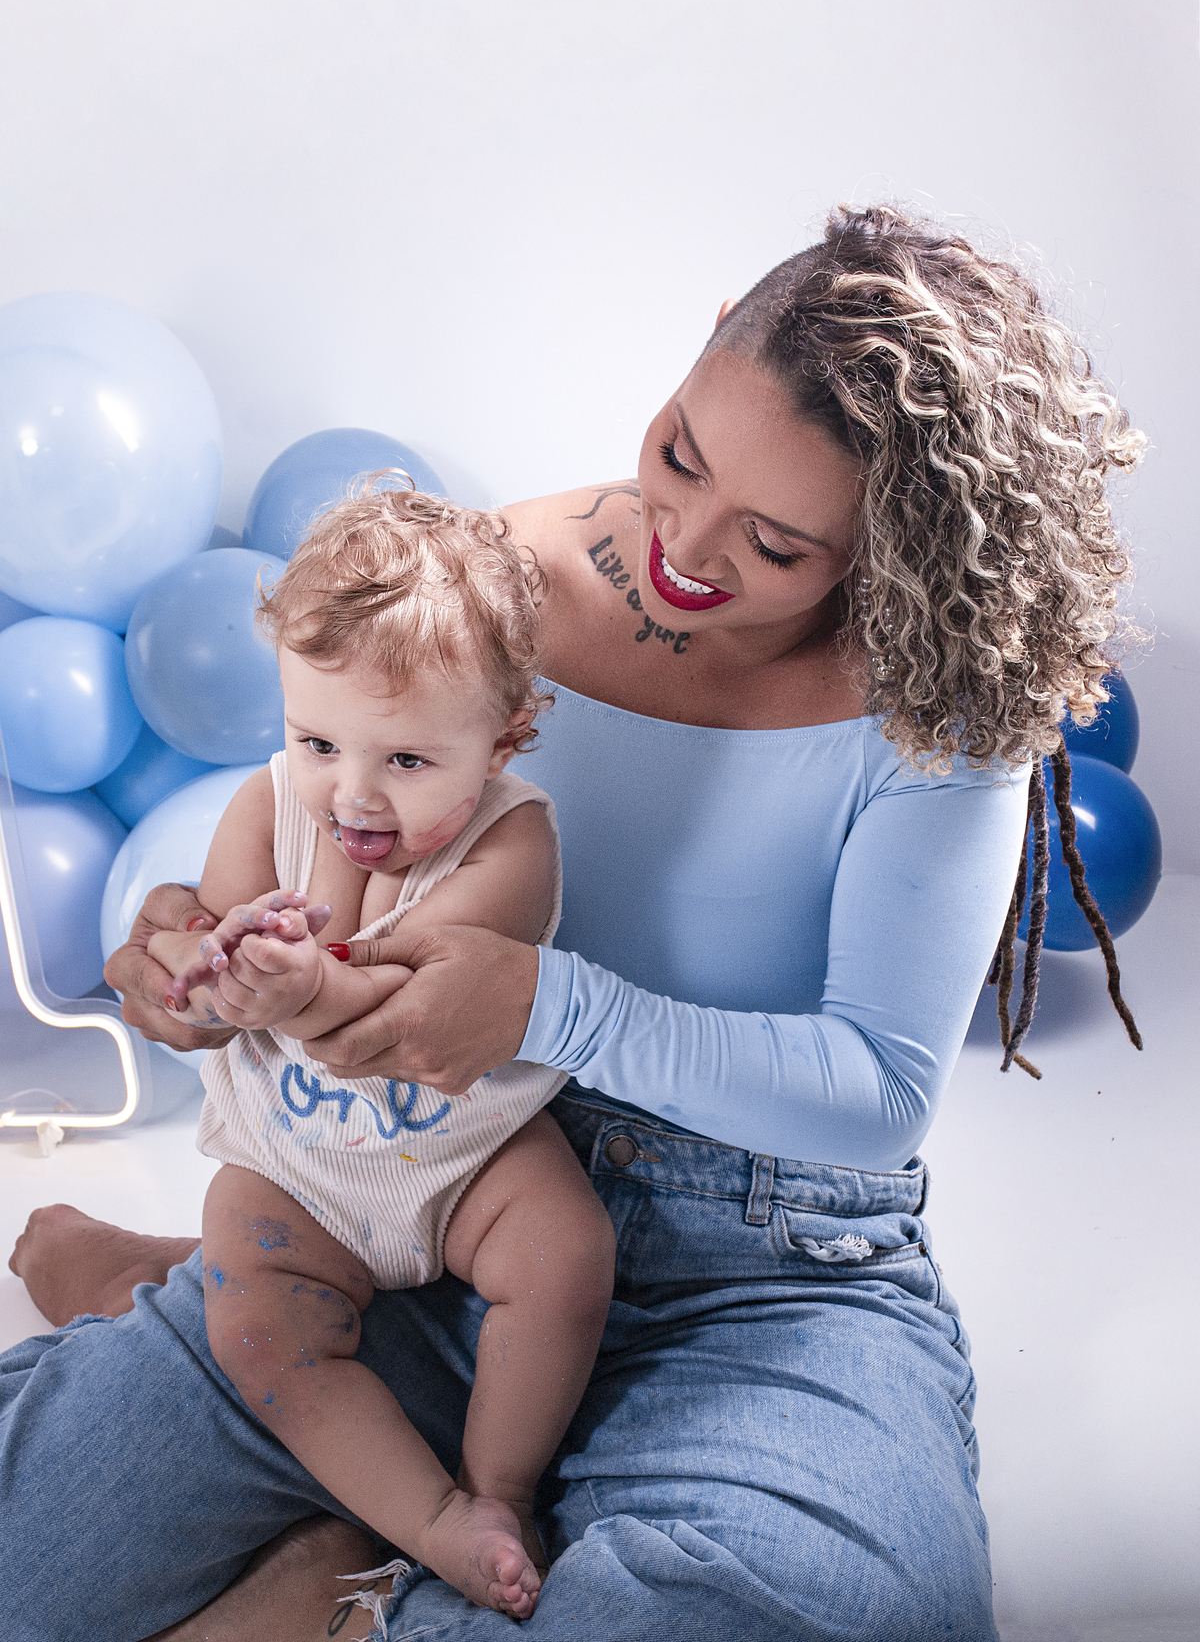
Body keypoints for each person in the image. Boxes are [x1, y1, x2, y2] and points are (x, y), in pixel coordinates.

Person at [2, 204, 1143, 1642]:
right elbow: (317, 813)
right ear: (708, 338)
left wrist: (546, 1005)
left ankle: (339, 1587)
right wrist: (187, 940)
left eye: (775, 543)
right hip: (411, 1186)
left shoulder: (943, 708)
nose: (686, 545)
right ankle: (225, 1328)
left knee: (826, 1618)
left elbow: (879, 1092)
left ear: (889, 543)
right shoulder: (485, 588)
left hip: (762, 1269)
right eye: (682, 452)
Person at [143, 488, 615, 1618]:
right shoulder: (267, 807)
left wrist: (303, 985)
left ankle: (500, 1488)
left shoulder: (517, 843)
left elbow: (402, 1003)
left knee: (568, 1252)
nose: (351, 792)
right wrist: (205, 967)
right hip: (294, 1159)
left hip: (462, 1145)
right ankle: (431, 1519)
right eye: (318, 742)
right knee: (254, 1323)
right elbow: (213, 939)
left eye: (406, 759)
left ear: (503, 738)